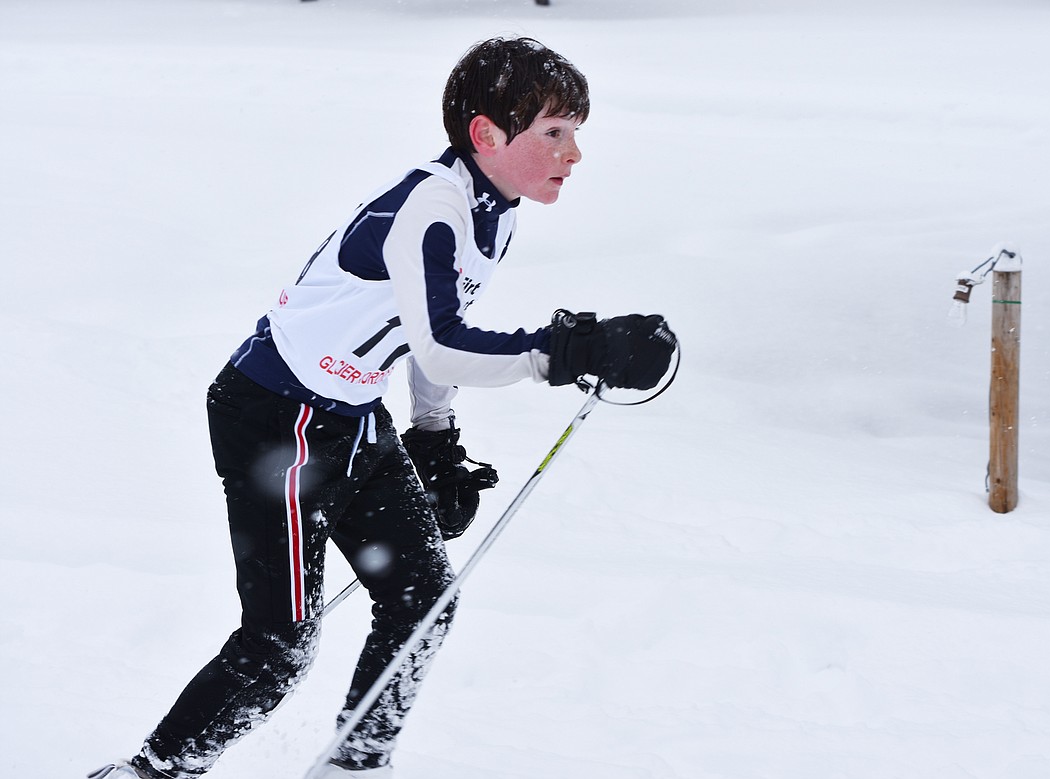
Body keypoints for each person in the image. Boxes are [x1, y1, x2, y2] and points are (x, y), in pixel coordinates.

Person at [91, 36, 676, 779]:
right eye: (555, 133)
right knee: (279, 645)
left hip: (350, 412)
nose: (574, 152)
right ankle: (150, 772)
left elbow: (428, 330)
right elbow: (440, 345)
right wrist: (561, 352)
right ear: (487, 135)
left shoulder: (494, 212)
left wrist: (436, 440)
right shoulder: (432, 208)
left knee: (423, 601)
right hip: (277, 412)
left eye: (576, 134)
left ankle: (353, 765)